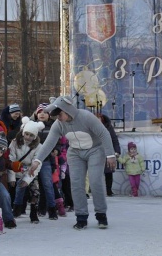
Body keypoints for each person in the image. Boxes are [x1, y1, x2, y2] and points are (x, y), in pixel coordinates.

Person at [29, 96, 116, 230]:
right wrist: (37, 161)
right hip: (75, 153)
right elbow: (48, 143)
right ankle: (81, 216)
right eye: (56, 115)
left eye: (60, 114)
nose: (58, 117)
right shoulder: (58, 124)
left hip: (95, 150)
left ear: (67, 110)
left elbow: (104, 134)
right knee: (76, 183)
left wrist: (110, 155)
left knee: (95, 181)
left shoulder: (86, 117)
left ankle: (101, 215)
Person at [9, 117, 44, 224]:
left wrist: (27, 180)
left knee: (35, 191)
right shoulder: (15, 143)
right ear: (23, 132)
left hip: (30, 171)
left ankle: (34, 212)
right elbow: (11, 159)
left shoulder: (39, 147)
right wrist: (12, 177)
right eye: (27, 134)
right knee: (17, 191)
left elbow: (36, 164)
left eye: (31, 135)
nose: (28, 137)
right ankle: (16, 209)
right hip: (16, 170)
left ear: (35, 136)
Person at [34, 103, 61, 220]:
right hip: (32, 160)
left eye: (45, 112)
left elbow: (57, 142)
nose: (42, 114)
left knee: (47, 185)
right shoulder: (32, 125)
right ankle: (37, 209)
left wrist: (57, 150)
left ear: (49, 115)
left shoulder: (53, 127)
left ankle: (52, 209)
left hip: (46, 160)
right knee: (34, 186)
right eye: (40, 112)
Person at [96, 113, 121, 196]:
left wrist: (117, 151)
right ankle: (95, 190)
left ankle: (109, 190)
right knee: (95, 173)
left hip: (107, 152)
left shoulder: (109, 128)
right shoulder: (91, 128)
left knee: (108, 172)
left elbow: (114, 140)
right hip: (95, 152)